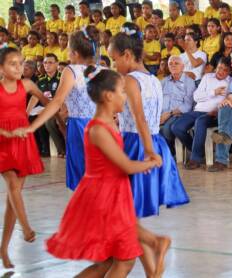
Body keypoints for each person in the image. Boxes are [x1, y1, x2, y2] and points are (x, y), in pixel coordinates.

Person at [46, 69, 156, 278]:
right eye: (122, 91)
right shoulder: (98, 129)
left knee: (107, 262)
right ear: (108, 96)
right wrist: (152, 162)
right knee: (124, 260)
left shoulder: (110, 123)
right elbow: (126, 166)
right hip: (104, 199)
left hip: (114, 195)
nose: (126, 95)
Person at [109, 24, 188, 276]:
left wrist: (146, 152)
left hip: (137, 143)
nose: (114, 66)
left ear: (128, 56)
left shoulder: (130, 80)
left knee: (122, 214)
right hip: (154, 141)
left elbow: (140, 119)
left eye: (114, 59)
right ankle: (152, 270)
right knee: (128, 215)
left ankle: (156, 243)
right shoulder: (153, 79)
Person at [13, 26, 101, 191]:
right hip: (101, 126)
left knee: (82, 176)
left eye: (68, 48)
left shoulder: (71, 70)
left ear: (74, 53)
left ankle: (86, 211)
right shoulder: (102, 70)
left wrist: (33, 125)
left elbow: (56, 102)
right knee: (97, 172)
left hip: (80, 127)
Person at [0, 47, 48, 268]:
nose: (19, 67)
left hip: (22, 139)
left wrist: (61, 110)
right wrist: (7, 133)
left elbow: (48, 103)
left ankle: (3, 249)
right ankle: (26, 228)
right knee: (12, 185)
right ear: (1, 68)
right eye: (13, 63)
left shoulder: (27, 85)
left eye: (21, 63)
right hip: (3, 141)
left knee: (13, 198)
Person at [172, 58, 232, 169]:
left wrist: (217, 110)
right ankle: (198, 149)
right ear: (216, 67)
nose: (221, 71)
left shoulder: (231, 82)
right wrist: (214, 92)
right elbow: (196, 96)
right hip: (197, 110)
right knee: (176, 127)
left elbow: (228, 102)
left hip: (213, 114)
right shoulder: (207, 77)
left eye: (225, 70)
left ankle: (195, 159)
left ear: (229, 72)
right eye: (219, 68)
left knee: (200, 122)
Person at [160, 56, 195, 152]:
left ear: (183, 66)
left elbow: (188, 106)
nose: (173, 65)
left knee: (166, 129)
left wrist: (169, 114)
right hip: (162, 114)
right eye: (170, 64)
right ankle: (167, 153)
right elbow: (157, 100)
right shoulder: (163, 82)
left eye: (176, 63)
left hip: (178, 114)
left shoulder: (189, 82)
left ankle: (171, 153)